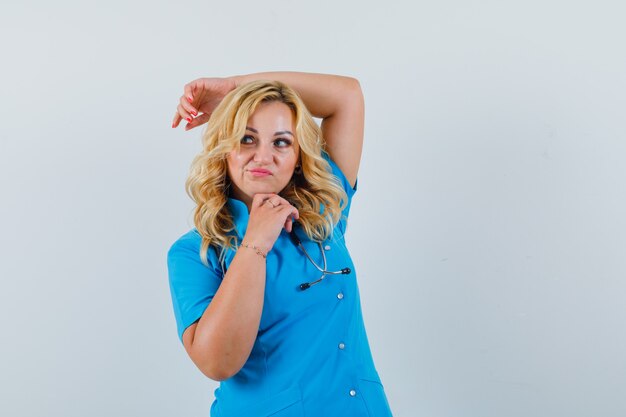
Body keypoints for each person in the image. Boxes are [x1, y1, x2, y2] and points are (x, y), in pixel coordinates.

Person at [167, 71, 393, 417]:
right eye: (246, 138)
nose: (263, 155)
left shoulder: (323, 212)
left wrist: (233, 89)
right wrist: (255, 242)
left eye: (281, 142)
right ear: (225, 150)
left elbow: (347, 95)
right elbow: (217, 362)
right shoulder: (196, 252)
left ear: (298, 155)